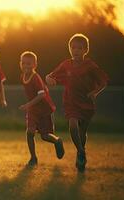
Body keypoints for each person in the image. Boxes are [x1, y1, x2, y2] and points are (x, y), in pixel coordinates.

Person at [46, 33, 108, 171]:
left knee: (82, 132)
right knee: (73, 125)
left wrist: (95, 92)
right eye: (73, 48)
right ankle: (81, 152)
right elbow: (51, 76)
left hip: (86, 103)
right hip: (71, 102)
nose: (76, 51)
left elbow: (103, 82)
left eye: (79, 48)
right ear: (70, 49)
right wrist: (49, 79)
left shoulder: (90, 65)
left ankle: (81, 152)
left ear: (85, 50)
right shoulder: (66, 64)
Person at [19, 51, 65, 167]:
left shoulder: (35, 78)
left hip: (44, 110)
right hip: (33, 110)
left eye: (28, 64)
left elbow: (41, 95)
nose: (25, 66)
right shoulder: (22, 76)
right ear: (20, 64)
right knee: (30, 132)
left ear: (35, 65)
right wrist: (30, 106)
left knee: (45, 136)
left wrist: (27, 105)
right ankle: (33, 158)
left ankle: (57, 141)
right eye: (23, 63)